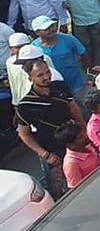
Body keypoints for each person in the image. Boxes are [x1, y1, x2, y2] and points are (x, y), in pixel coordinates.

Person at [16, 60, 83, 197]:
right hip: (52, 151)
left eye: (47, 72)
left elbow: (73, 108)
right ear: (31, 78)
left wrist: (84, 129)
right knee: (57, 189)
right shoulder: (25, 105)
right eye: (40, 75)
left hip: (75, 143)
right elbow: (24, 134)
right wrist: (45, 154)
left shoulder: (60, 87)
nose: (46, 77)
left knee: (82, 179)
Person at [30, 15, 87, 94]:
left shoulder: (69, 39)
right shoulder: (34, 47)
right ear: (37, 32)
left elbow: (83, 53)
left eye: (51, 26)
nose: (51, 30)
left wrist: (88, 74)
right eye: (46, 29)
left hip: (76, 84)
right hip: (53, 89)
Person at [54, 119, 100, 190]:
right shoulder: (71, 164)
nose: (85, 136)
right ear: (70, 145)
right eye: (80, 137)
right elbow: (78, 190)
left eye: (83, 133)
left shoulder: (88, 145)